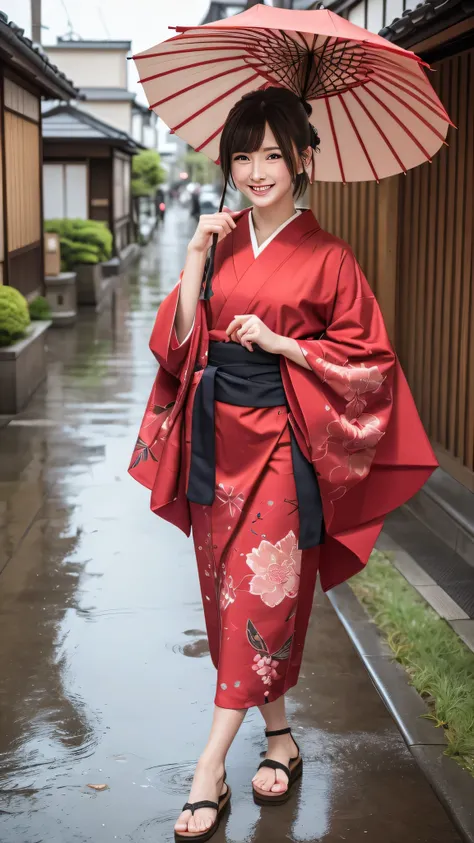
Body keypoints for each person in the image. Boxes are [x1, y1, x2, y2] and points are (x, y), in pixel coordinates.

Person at [128, 87, 437, 841]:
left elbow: (371, 362)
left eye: (274, 153)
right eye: (243, 154)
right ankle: (280, 735)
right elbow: (177, 345)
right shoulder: (223, 240)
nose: (257, 170)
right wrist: (197, 254)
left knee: (259, 596)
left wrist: (285, 343)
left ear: (304, 159)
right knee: (228, 597)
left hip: (280, 440)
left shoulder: (331, 255)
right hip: (213, 439)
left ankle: (209, 767)